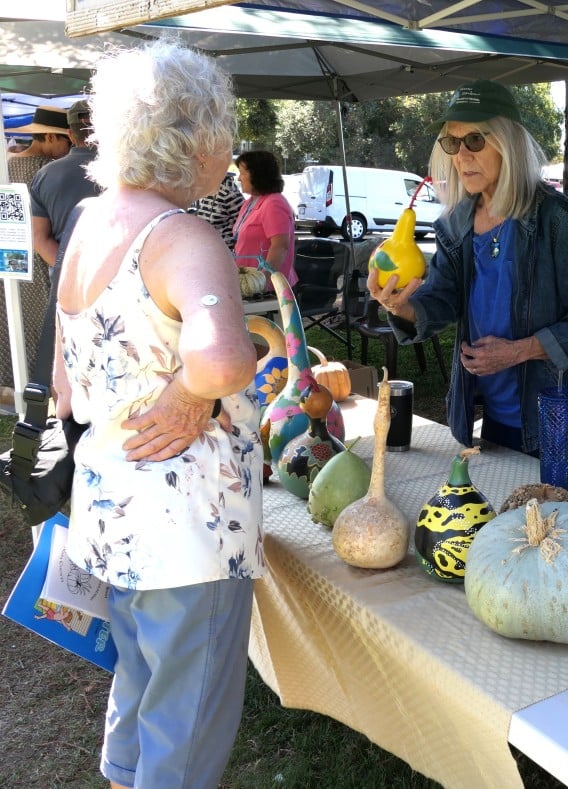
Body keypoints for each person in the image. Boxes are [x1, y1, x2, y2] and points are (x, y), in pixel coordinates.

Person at [51, 39, 263, 789]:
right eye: (224, 129)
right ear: (198, 136)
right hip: (185, 529)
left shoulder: (86, 222)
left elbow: (64, 381)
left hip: (110, 511)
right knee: (188, 713)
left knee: (139, 680)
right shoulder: (181, 235)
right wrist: (190, 391)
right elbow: (225, 360)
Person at [369, 80, 568, 483]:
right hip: (492, 420)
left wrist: (520, 351)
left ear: (507, 143)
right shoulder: (455, 224)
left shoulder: (556, 219)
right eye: (452, 143)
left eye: (475, 140)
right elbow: (443, 299)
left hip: (556, 419)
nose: (461, 156)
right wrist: (399, 304)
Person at [1, 106, 72, 400]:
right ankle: (47, 386)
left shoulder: (7, 165)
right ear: (50, 137)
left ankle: (14, 382)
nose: (68, 148)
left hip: (11, 258)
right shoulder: (47, 172)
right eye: (65, 142)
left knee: (11, 322)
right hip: (43, 259)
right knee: (46, 327)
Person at [29, 100, 103, 266]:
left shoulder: (44, 175)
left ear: (70, 134)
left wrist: (69, 271)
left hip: (66, 281)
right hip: (120, 278)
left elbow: (39, 237)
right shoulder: (131, 171)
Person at [233, 150, 297, 285]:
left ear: (258, 174)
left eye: (243, 173)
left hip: (269, 288)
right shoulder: (249, 202)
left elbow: (280, 246)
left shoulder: (274, 203)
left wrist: (264, 279)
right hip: (250, 283)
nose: (239, 178)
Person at [190, 170, 244, 250]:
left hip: (223, 251)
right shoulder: (207, 191)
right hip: (208, 248)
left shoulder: (228, 193)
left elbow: (242, 224)